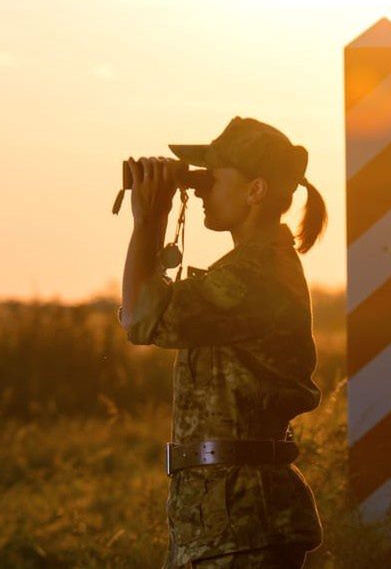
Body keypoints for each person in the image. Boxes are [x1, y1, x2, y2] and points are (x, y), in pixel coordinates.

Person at [118, 116, 328, 568]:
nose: (198, 189)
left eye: (212, 178)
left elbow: (139, 318)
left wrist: (150, 218)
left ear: (255, 190)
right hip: (227, 523)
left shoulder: (255, 277)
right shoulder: (244, 271)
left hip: (245, 522)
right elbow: (145, 311)